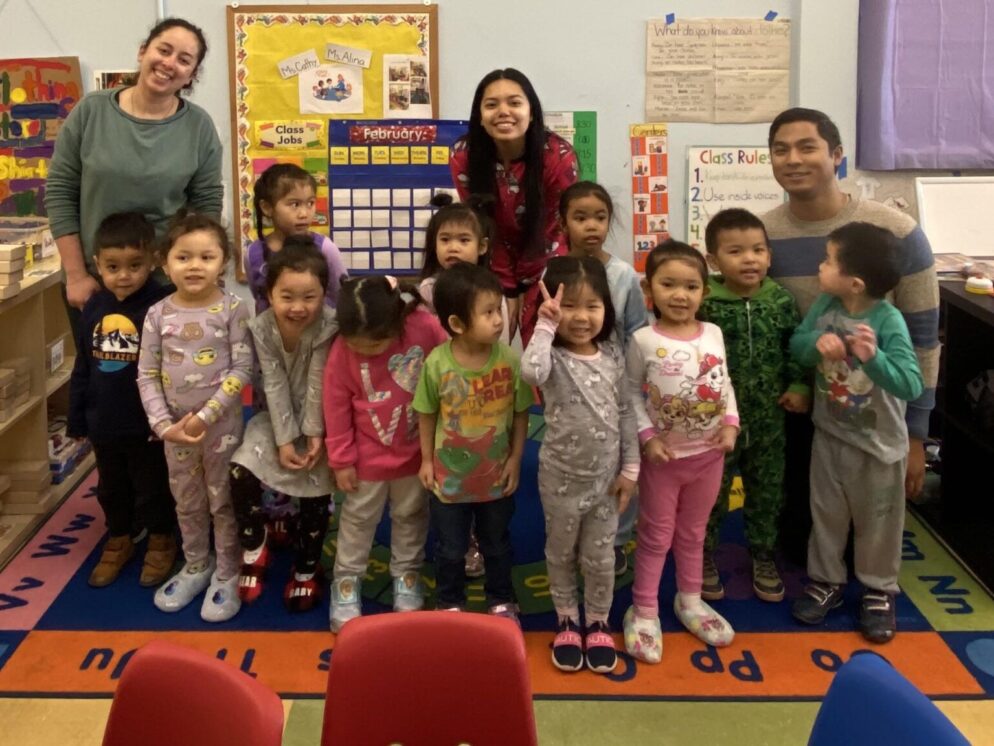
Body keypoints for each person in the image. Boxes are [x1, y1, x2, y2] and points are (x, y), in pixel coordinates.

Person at [763, 108, 939, 565]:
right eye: (780, 150)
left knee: (872, 531)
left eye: (807, 147)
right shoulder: (762, 235)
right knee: (802, 541)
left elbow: (923, 337)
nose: (793, 160)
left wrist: (917, 435)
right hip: (804, 403)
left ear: (837, 156)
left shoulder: (895, 232)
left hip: (878, 407)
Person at [789, 222, 924, 643]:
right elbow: (798, 345)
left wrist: (873, 357)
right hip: (830, 436)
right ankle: (826, 581)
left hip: (879, 449)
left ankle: (878, 590)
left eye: (828, 260)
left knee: (877, 524)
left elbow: (910, 384)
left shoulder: (888, 320)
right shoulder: (827, 305)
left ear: (856, 282)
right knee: (826, 515)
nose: (821, 266)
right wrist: (817, 344)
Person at [46, 18, 222, 319]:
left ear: (191, 74)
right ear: (143, 51)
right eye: (163, 50)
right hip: (97, 282)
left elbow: (206, 206)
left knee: (173, 368)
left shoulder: (199, 126)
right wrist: (76, 275)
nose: (169, 64)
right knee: (100, 368)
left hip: (169, 285)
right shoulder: (91, 111)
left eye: (184, 60)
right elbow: (60, 192)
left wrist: (200, 272)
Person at [521, 256, 638, 674]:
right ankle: (567, 617)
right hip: (559, 478)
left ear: (606, 308)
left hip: (607, 482)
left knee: (601, 556)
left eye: (592, 306)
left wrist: (631, 470)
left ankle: (599, 620)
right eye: (569, 306)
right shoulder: (550, 356)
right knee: (560, 550)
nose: (581, 317)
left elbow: (626, 412)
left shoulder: (611, 353)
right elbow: (530, 373)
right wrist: (546, 324)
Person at [622, 241, 739, 663]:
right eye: (668, 284)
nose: (680, 294)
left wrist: (730, 425)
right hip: (664, 461)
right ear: (648, 288)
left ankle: (689, 600)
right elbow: (631, 395)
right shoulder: (642, 340)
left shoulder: (713, 333)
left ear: (704, 291)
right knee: (655, 536)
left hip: (709, 456)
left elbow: (723, 384)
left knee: (693, 533)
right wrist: (648, 437)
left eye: (691, 286)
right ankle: (645, 608)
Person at [137, 213, 252, 622]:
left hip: (219, 428)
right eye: (183, 257)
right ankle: (196, 564)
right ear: (164, 263)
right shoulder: (157, 314)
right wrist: (163, 425)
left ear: (223, 262)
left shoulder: (234, 309)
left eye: (206, 256)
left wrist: (205, 416)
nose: (195, 265)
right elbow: (146, 373)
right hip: (173, 432)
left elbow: (242, 370)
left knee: (222, 499)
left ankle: (226, 570)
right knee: (186, 501)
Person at [323, 274, 447, 632]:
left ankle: (407, 575)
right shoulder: (342, 351)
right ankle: (347, 582)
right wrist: (342, 460)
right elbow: (335, 409)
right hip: (366, 461)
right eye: (358, 345)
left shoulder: (424, 329)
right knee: (358, 520)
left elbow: (445, 370)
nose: (367, 351)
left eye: (376, 344)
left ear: (397, 322)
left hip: (416, 455)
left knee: (411, 515)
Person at [698, 209, 809, 603]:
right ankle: (703, 555)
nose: (750, 259)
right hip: (714, 422)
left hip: (768, 418)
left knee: (767, 490)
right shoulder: (705, 301)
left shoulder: (778, 299)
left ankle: (762, 553)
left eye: (758, 250)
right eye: (736, 251)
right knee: (711, 492)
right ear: (713, 260)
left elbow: (794, 345)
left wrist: (799, 384)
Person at [413, 263, 533, 620]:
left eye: (498, 310)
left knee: (497, 544)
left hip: (496, 478)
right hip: (449, 480)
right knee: (450, 548)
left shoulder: (510, 361)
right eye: (488, 313)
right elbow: (426, 412)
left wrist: (515, 458)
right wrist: (425, 460)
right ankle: (449, 600)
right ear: (457, 324)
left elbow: (522, 412)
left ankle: (501, 597)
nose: (498, 320)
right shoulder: (437, 364)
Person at [67, 212, 175, 588]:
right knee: (111, 487)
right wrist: (77, 416)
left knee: (153, 485)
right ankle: (119, 537)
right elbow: (84, 363)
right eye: (112, 267)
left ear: (153, 262)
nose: (123, 275)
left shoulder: (163, 304)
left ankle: (161, 538)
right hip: (104, 421)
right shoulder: (93, 308)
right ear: (97, 264)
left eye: (134, 266)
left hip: (147, 422)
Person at [229, 239, 338, 612]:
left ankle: (307, 568)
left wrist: (311, 436)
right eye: (286, 296)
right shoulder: (260, 327)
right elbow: (272, 383)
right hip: (276, 418)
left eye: (309, 296)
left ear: (325, 293)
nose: (298, 307)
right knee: (241, 469)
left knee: (317, 489)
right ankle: (255, 544)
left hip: (323, 423)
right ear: (268, 295)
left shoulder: (329, 325)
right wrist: (284, 438)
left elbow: (316, 386)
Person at [560, 180, 649, 576]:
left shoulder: (624, 275)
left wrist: (633, 387)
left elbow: (635, 333)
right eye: (580, 218)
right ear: (563, 224)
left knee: (618, 463)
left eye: (600, 217)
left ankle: (614, 539)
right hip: (568, 383)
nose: (591, 226)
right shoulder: (553, 270)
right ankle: (573, 533)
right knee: (573, 461)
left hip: (614, 385)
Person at [450, 68, 578, 345]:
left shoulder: (559, 156)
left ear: (531, 113)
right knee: (488, 353)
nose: (503, 112)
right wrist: (506, 287)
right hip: (493, 265)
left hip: (547, 263)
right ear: (480, 116)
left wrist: (528, 287)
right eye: (492, 104)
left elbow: (553, 229)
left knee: (543, 355)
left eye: (515, 102)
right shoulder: (463, 155)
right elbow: (480, 224)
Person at [419, 194, 510, 577]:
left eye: (463, 239)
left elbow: (498, 342)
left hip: (482, 396)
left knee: (483, 466)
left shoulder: (494, 292)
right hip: (443, 392)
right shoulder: (426, 290)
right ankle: (454, 537)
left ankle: (480, 538)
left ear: (482, 247)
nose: (453, 247)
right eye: (444, 239)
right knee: (447, 467)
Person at [245, 163, 347, 314]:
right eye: (295, 204)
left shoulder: (325, 248)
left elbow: (341, 295)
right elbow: (259, 296)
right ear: (267, 207)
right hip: (271, 336)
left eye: (310, 203)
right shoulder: (254, 253)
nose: (304, 213)